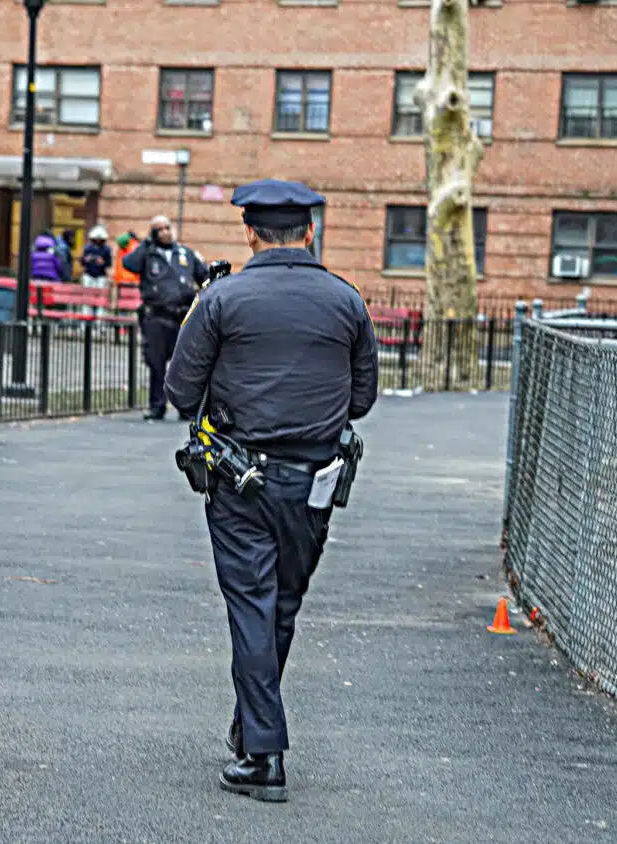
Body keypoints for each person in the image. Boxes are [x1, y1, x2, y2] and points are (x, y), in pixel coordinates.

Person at [164, 179, 379, 801]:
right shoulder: (347, 300)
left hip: (241, 478)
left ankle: (263, 754)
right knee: (280, 607)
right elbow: (360, 400)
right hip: (314, 480)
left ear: (250, 233)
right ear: (309, 232)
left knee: (253, 606)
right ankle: (252, 729)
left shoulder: (223, 299)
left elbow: (180, 392)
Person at [122, 214, 207, 420]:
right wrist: (146, 243)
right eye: (158, 229)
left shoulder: (185, 253)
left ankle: (185, 408)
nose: (165, 232)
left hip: (183, 317)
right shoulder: (147, 254)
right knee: (156, 363)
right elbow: (129, 264)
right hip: (156, 317)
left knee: (186, 365)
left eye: (167, 227)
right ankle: (157, 406)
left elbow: (203, 275)